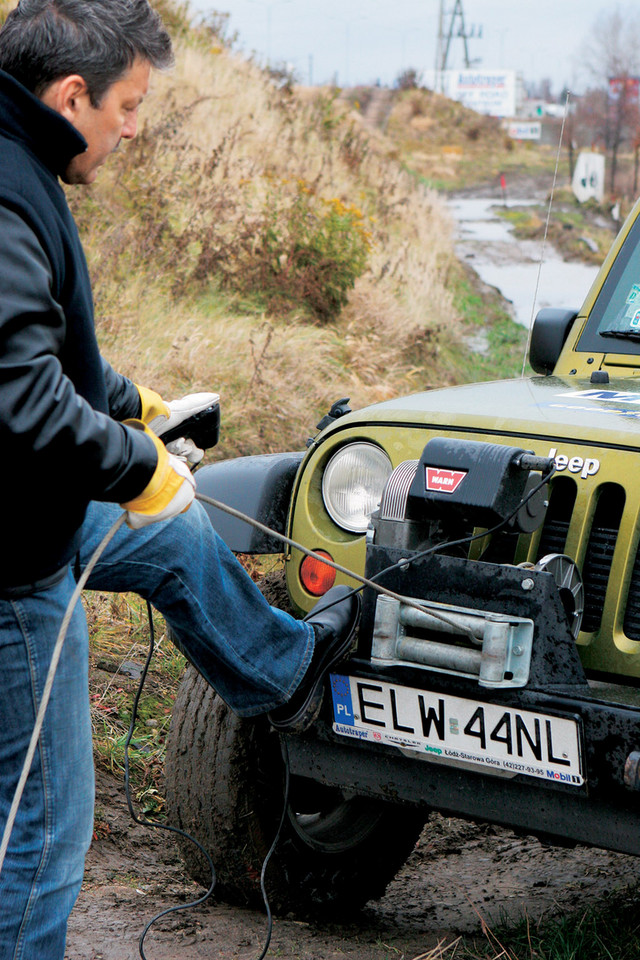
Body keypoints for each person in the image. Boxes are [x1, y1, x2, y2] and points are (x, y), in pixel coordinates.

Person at [0, 1, 359, 957]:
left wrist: (133, 403)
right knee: (40, 839)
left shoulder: (16, 161)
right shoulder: (4, 192)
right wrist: (136, 465)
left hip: (32, 503)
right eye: (126, 106)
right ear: (72, 94)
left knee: (171, 536)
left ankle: (285, 672)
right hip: (13, 563)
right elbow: (21, 399)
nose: (131, 128)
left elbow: (40, 346)